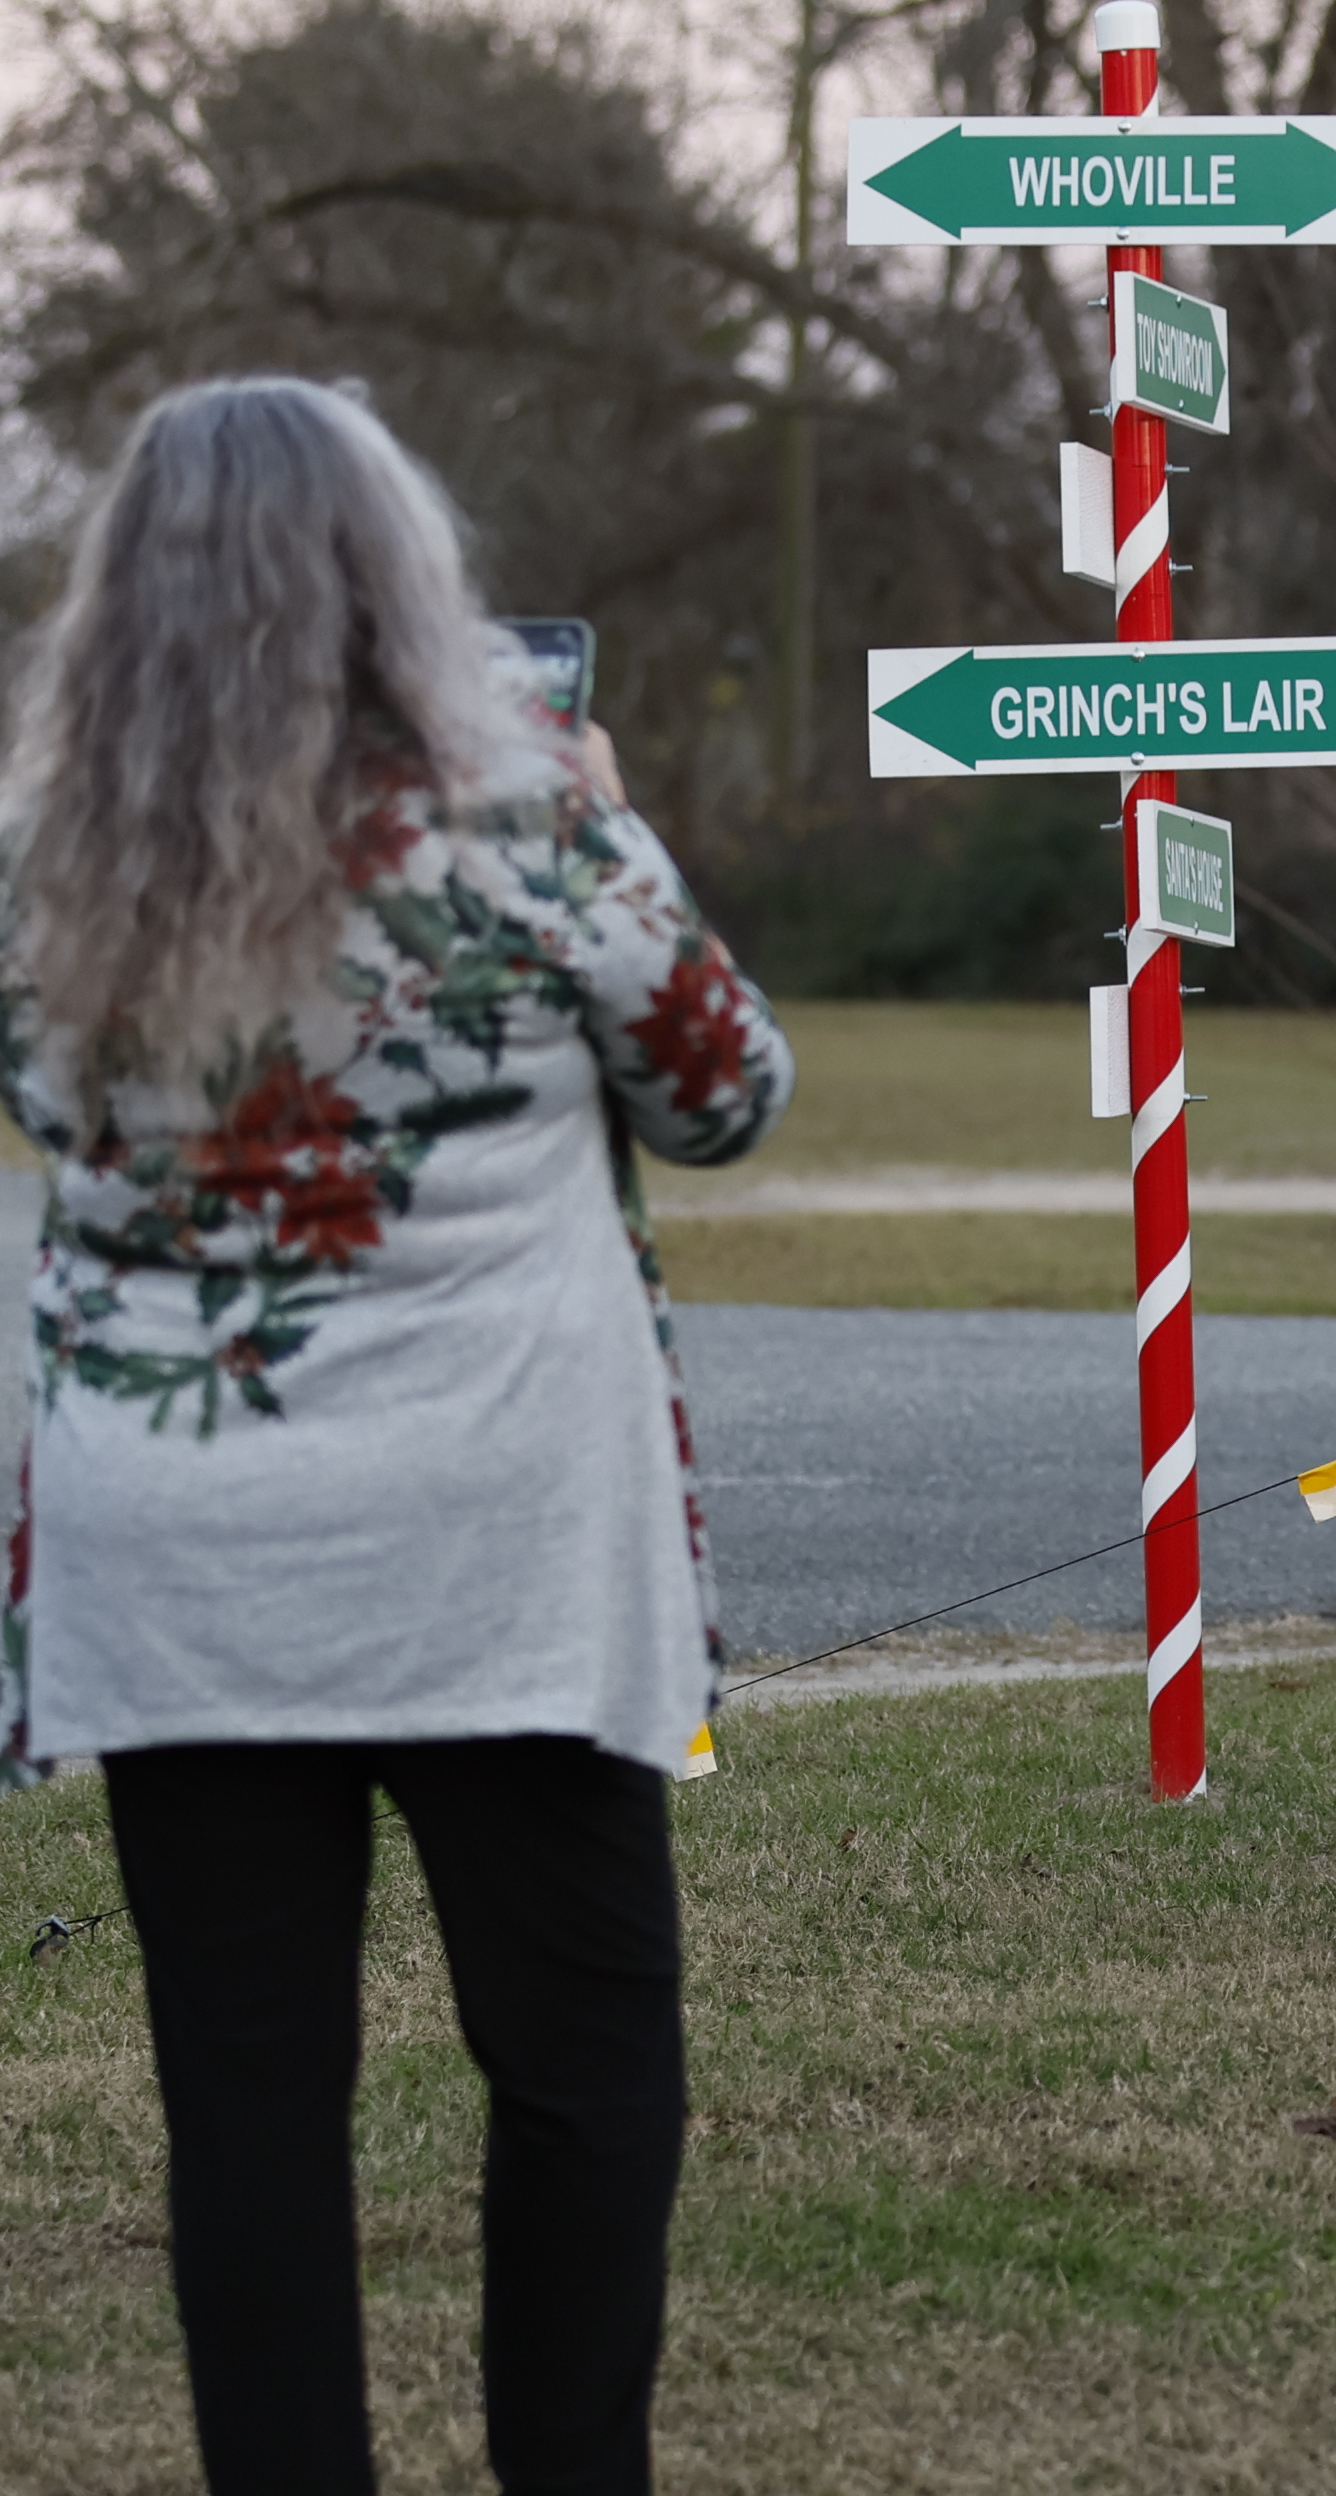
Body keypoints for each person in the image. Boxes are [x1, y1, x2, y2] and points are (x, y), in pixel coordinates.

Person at [0, 378, 792, 2493]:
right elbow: (725, 1095)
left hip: (182, 1551)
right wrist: (611, 808)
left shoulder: (43, 842)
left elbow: (50, 1110)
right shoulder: (524, 799)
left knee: (247, 2100)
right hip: (500, 1530)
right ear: (398, 569)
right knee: (584, 2067)